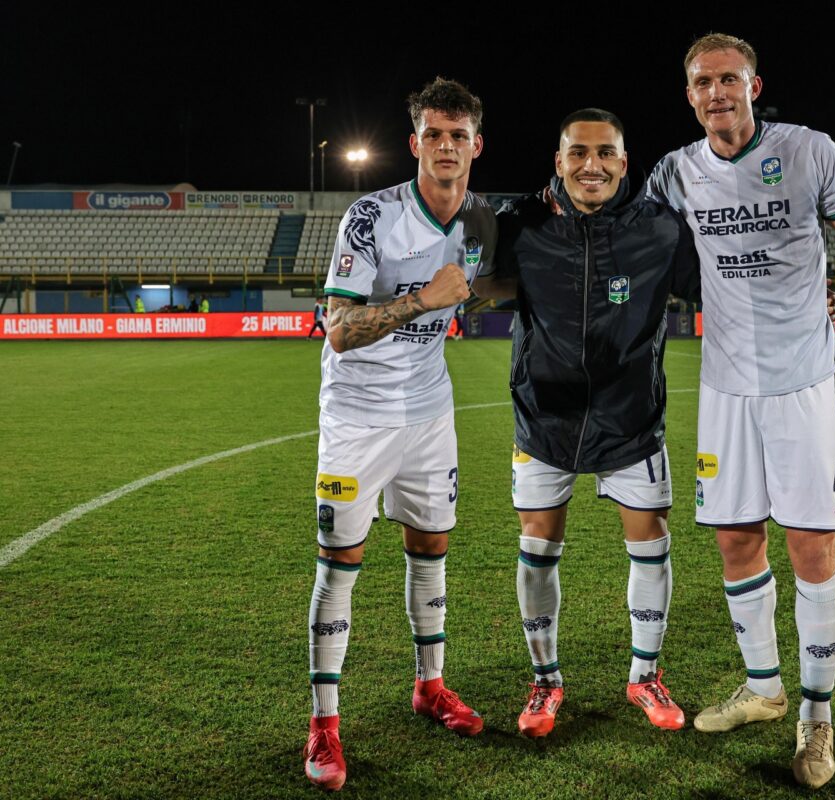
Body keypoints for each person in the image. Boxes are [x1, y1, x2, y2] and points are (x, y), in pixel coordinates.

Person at [647, 33, 835, 789]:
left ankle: (816, 718)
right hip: (726, 386)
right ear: (689, 94)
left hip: (803, 381)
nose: (717, 93)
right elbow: (626, 231)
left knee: (811, 547)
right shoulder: (675, 171)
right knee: (736, 539)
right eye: (703, 82)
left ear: (754, 87)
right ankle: (763, 689)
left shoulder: (808, 151)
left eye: (729, 79)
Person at [474, 109, 701, 739]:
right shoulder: (522, 222)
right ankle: (545, 681)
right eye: (578, 152)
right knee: (537, 548)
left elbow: (719, 286)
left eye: (605, 153)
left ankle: (645, 675)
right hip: (544, 418)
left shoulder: (659, 228)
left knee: (650, 542)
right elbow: (476, 278)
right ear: (559, 160)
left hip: (631, 418)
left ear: (624, 162)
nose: (591, 164)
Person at [302, 77, 497, 791]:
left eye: (458, 135)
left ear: (477, 145)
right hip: (357, 416)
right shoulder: (371, 216)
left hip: (430, 411)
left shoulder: (480, 220)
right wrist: (422, 300)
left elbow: (486, 287)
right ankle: (324, 724)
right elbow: (338, 330)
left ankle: (430, 686)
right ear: (415, 143)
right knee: (341, 559)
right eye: (433, 134)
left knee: (431, 546)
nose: (446, 146)